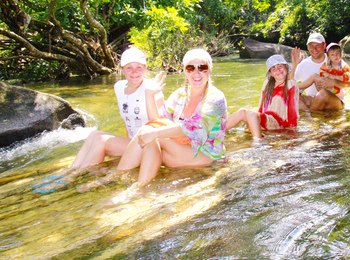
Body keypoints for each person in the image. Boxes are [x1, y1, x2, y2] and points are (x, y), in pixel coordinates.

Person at [33, 47, 165, 193]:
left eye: (139, 67)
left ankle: (73, 176)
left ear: (145, 69)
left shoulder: (152, 88)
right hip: (132, 142)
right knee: (95, 135)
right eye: (129, 68)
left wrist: (150, 95)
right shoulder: (119, 87)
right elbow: (128, 119)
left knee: (102, 141)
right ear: (122, 69)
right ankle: (70, 171)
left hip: (148, 144)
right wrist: (126, 152)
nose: (134, 72)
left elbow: (158, 126)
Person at [93, 48, 228, 187]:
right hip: (181, 151)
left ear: (209, 70)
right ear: (185, 70)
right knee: (150, 132)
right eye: (190, 68)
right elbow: (156, 120)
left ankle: (136, 187)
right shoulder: (180, 95)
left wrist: (154, 133)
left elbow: (194, 127)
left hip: (204, 155)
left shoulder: (215, 98)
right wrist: (149, 95)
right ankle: (119, 176)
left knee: (153, 135)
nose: (196, 73)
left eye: (202, 67)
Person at [226, 54, 299, 140]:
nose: (278, 70)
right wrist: (255, 119)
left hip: (279, 123)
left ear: (286, 66)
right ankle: (216, 131)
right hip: (266, 120)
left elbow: (292, 109)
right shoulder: (267, 84)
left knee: (249, 113)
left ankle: (258, 141)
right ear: (271, 73)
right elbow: (261, 106)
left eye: (280, 66)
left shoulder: (291, 84)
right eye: (274, 69)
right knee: (242, 112)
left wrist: (292, 130)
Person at [294, 33, 350, 111]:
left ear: (324, 46)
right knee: (292, 97)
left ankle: (311, 117)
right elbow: (289, 83)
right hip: (313, 100)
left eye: (318, 45)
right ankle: (309, 116)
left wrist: (333, 82)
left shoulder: (334, 59)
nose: (314, 49)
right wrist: (294, 64)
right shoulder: (303, 65)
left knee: (322, 94)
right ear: (307, 47)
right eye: (311, 46)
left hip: (335, 100)